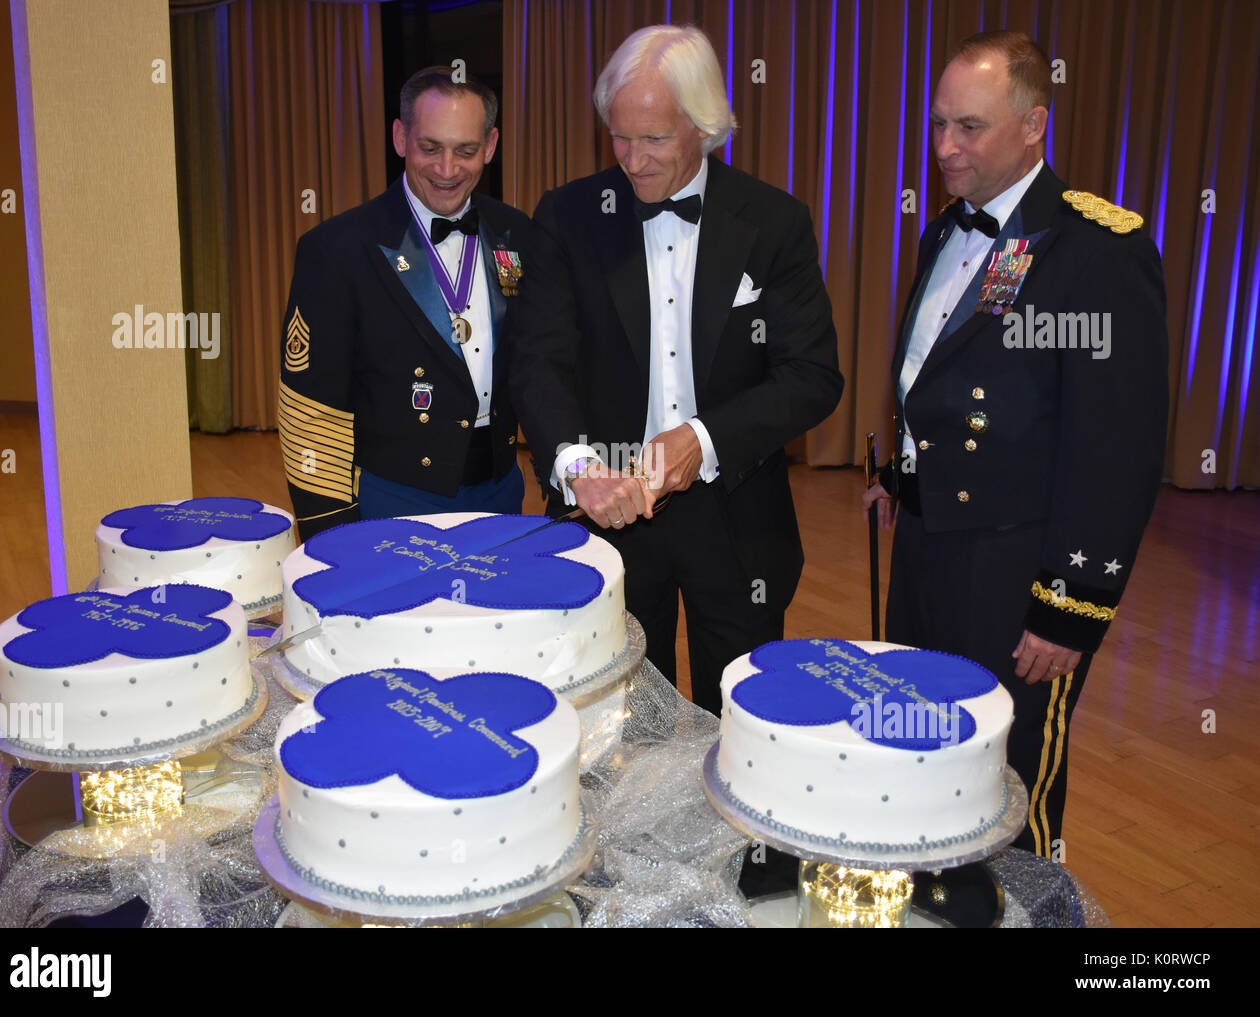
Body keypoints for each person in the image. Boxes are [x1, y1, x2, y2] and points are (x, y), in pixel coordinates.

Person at [863, 31, 1169, 856]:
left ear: (1035, 125)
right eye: (937, 126)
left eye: (969, 127)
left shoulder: (1096, 252)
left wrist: (1068, 606)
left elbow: (1115, 449)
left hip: (1019, 567)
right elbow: (959, 382)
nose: (944, 148)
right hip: (930, 549)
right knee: (928, 737)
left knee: (1011, 773)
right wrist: (903, 476)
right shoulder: (945, 231)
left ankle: (1029, 912)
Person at [512, 25, 843, 715]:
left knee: (741, 734)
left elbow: (811, 374)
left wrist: (703, 438)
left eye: (654, 139)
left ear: (706, 125)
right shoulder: (568, 216)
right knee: (621, 730)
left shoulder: (773, 221)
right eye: (620, 137)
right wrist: (579, 467)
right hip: (609, 516)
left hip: (739, 519)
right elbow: (541, 359)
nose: (632, 160)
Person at [278, 66, 530, 540]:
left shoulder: (519, 234)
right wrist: (329, 531)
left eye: (467, 151)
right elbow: (310, 405)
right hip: (391, 497)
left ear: (491, 146)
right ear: (400, 137)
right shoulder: (337, 248)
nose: (447, 169)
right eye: (430, 147)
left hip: (499, 493)